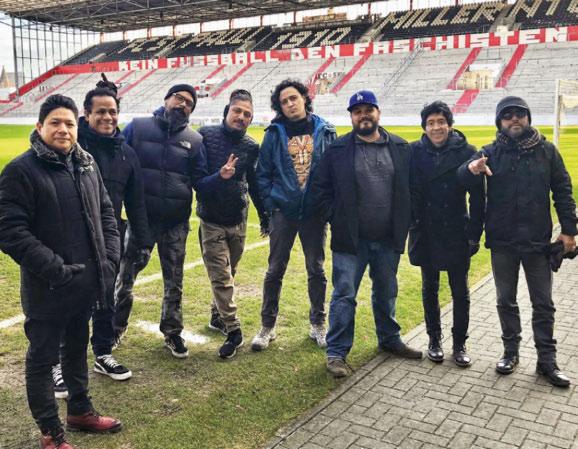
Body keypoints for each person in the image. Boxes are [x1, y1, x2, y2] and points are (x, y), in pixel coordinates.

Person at [0, 94, 122, 448]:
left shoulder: (86, 164)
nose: (63, 129)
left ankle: (80, 410)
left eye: (69, 123)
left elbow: (106, 213)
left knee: (76, 349)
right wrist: (55, 269)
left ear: (77, 128)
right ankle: (51, 432)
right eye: (55, 122)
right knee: (42, 359)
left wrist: (110, 258)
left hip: (85, 284)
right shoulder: (21, 170)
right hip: (48, 288)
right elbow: (10, 230)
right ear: (40, 127)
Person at [459, 96, 577, 387]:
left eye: (519, 114)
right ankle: (510, 353)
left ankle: (547, 361)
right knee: (505, 300)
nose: (514, 119)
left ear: (528, 118)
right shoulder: (489, 153)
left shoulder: (547, 151)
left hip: (537, 242)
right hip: (503, 242)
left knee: (543, 303)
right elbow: (462, 177)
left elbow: (563, 191)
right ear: (499, 121)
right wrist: (471, 169)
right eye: (507, 115)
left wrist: (569, 231)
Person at [114, 84, 236, 358]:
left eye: (189, 103)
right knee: (125, 277)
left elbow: (199, 182)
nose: (183, 105)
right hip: (140, 220)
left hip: (175, 224)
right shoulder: (137, 128)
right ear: (166, 98)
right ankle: (116, 327)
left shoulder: (194, 140)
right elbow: (116, 161)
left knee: (174, 282)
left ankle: (172, 332)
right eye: (179, 98)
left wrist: (220, 177)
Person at [312, 90, 422, 378]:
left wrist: (407, 218)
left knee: (386, 291)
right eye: (357, 111)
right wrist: (336, 216)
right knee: (344, 295)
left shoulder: (400, 147)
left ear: (378, 113)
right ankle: (336, 352)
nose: (363, 115)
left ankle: (389, 339)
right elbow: (319, 190)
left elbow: (412, 189)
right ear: (351, 117)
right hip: (350, 240)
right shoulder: (337, 149)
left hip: (387, 238)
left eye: (368, 110)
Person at [252, 79, 336, 351]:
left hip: (314, 214)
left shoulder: (326, 130)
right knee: (275, 270)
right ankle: (267, 326)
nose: (290, 104)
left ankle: (318, 324)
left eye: (294, 98)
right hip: (283, 212)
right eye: (284, 101)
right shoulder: (274, 133)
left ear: (304, 98)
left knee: (316, 270)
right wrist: (272, 205)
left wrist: (326, 205)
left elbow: (334, 173)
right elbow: (262, 173)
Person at [409, 101, 485, 367]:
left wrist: (474, 233)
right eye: (430, 123)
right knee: (429, 287)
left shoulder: (467, 152)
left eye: (441, 122)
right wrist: (412, 223)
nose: (436, 127)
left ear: (450, 124)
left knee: (460, 291)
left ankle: (460, 344)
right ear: (424, 127)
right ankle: (434, 340)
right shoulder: (413, 152)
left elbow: (478, 198)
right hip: (426, 231)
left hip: (456, 230)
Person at [197, 89, 268, 359]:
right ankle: (234, 330)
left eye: (247, 114)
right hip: (211, 219)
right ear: (227, 111)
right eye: (237, 111)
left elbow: (255, 185)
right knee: (221, 276)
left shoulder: (251, 146)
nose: (241, 116)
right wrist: (220, 176)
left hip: (238, 219)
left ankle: (217, 316)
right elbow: (198, 182)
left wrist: (264, 217)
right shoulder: (205, 136)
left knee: (230, 271)